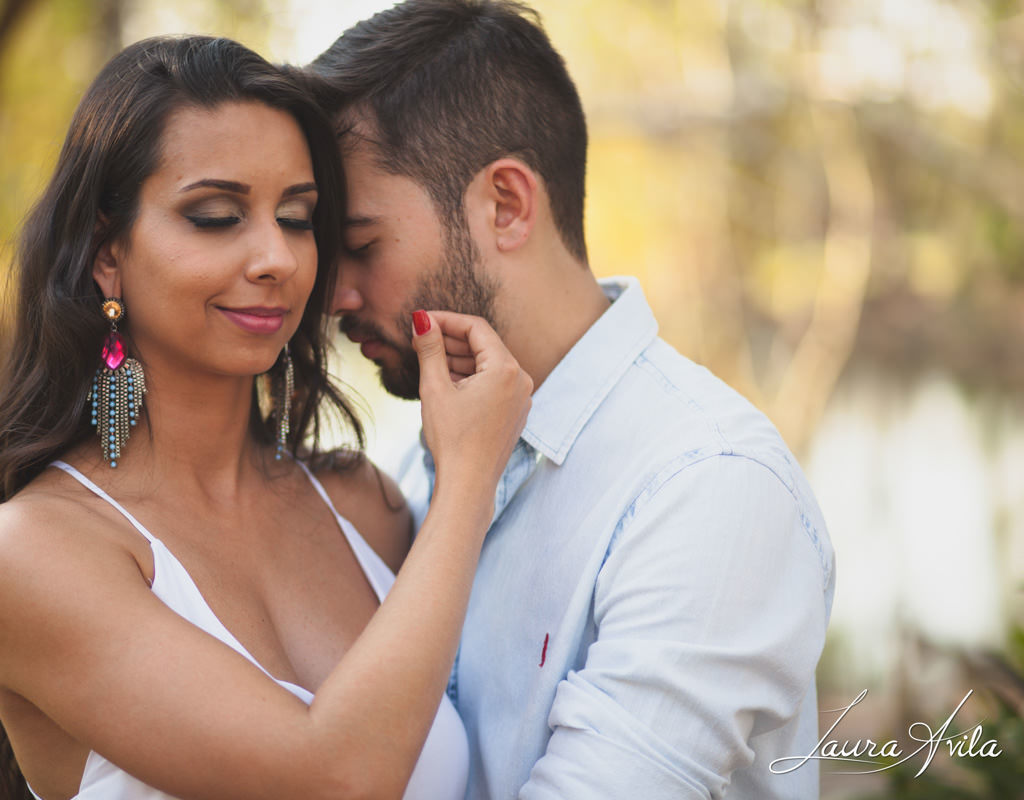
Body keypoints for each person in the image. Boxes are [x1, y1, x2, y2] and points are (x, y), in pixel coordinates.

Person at [0, 35, 531, 800]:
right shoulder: (29, 555)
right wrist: (467, 479)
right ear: (106, 255)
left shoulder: (365, 507)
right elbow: (333, 780)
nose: (277, 259)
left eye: (297, 217)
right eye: (217, 216)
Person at [308, 1, 837, 798]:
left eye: (359, 245)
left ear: (507, 206)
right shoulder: (423, 463)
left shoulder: (709, 488)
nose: (332, 296)